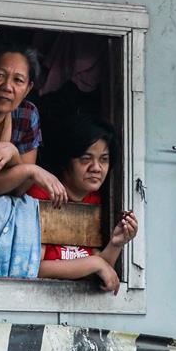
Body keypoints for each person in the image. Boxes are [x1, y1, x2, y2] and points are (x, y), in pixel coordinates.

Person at [27, 114, 138, 293]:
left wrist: (116, 243)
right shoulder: (40, 196)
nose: (96, 167)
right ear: (65, 161)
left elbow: (100, 273)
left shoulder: (95, 201)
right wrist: (94, 263)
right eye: (86, 159)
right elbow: (33, 268)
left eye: (104, 159)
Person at [0, 40, 67, 206]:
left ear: (28, 88)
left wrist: (13, 155)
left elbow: (20, 188)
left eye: (18, 80)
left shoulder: (26, 114)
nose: (7, 86)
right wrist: (30, 170)